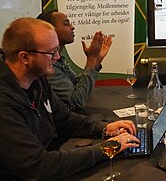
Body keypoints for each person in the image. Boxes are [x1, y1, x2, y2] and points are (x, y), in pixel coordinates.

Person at [0, 18, 140, 180]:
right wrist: (106, 148)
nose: (58, 57)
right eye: (52, 52)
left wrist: (105, 128)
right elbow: (37, 166)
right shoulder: (4, 103)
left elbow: (65, 119)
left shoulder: (36, 79)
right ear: (24, 57)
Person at [37, 10, 112, 110]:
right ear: (51, 30)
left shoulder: (58, 60)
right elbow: (77, 100)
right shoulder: (48, 65)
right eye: (66, 24)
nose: (72, 27)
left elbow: (78, 87)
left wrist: (96, 61)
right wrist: (91, 60)